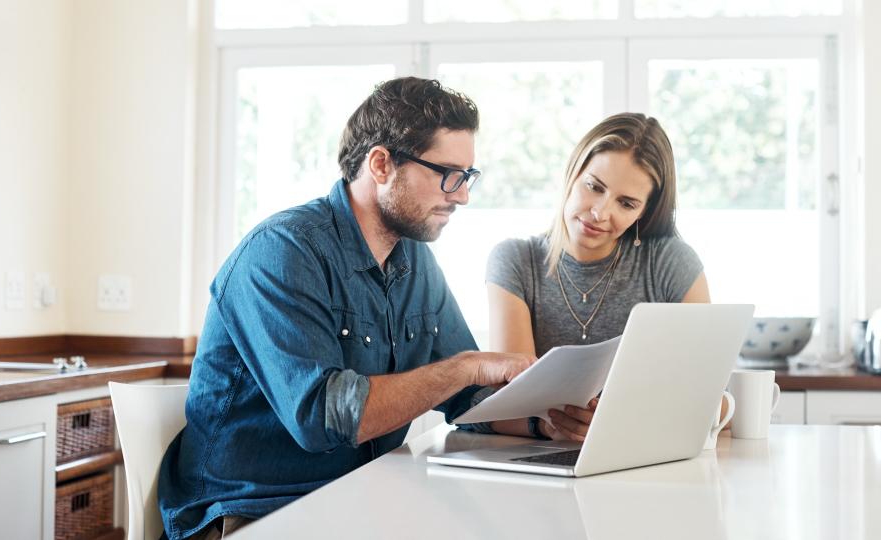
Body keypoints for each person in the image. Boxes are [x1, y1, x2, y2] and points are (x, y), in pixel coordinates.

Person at [157, 77, 535, 540]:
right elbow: (324, 417)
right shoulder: (282, 251)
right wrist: (467, 368)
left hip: (357, 499)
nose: (461, 195)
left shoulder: (414, 260)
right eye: (448, 174)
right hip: (251, 512)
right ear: (381, 164)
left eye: (467, 176)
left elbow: (466, 397)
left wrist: (545, 417)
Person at [479, 112, 710, 442]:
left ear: (645, 211)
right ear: (573, 173)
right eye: (594, 186)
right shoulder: (515, 261)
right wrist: (555, 426)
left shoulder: (670, 262)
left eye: (626, 203)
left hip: (642, 453)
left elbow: (707, 393)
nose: (601, 213)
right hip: (544, 459)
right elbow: (512, 400)